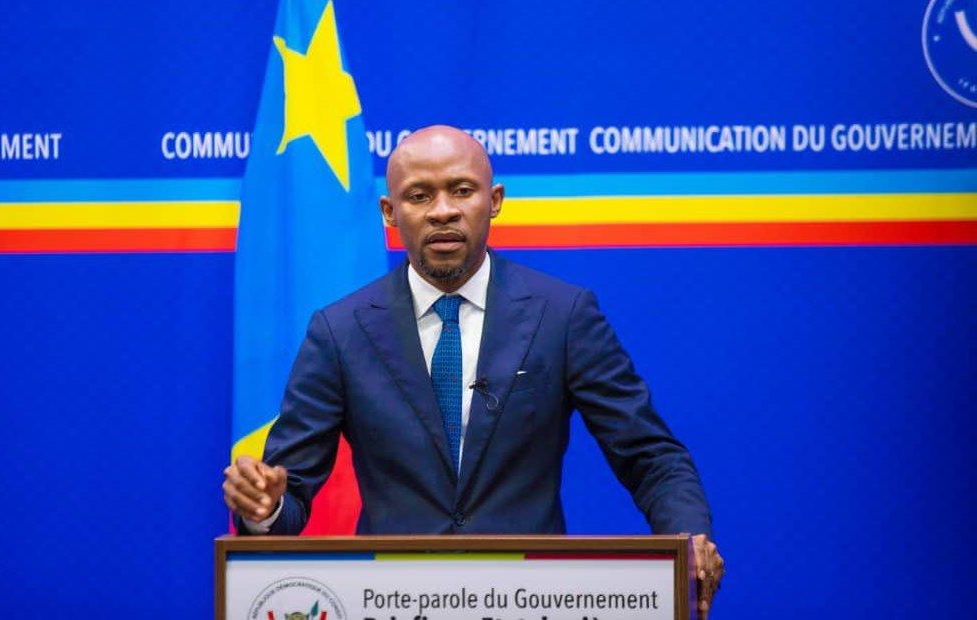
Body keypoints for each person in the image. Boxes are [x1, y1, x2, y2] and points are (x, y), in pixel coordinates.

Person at [223, 125, 725, 615]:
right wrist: (264, 508)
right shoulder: (340, 331)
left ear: (495, 200)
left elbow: (649, 454)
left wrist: (689, 536)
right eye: (419, 196)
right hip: (390, 600)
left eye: (461, 190)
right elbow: (288, 493)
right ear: (390, 212)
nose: (443, 210)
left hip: (533, 601)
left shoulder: (563, 315)